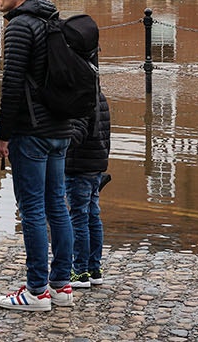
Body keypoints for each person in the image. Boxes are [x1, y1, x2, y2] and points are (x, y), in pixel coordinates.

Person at [0, 0, 77, 312]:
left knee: (31, 211)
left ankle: (36, 291)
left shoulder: (19, 27)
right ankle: (62, 286)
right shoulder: (53, 20)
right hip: (60, 127)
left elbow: (12, 85)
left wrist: (2, 135)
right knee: (58, 205)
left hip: (33, 131)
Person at [66, 88, 111, 290]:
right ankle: (94, 269)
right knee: (93, 216)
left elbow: (76, 134)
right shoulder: (99, 95)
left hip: (79, 166)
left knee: (79, 218)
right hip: (96, 165)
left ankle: (80, 271)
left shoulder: (78, 96)